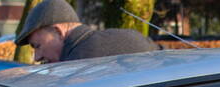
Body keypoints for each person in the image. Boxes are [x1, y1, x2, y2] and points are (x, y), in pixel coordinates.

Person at [14, 0, 158, 64]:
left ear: (58, 32)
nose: (37, 57)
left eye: (37, 46)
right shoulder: (132, 36)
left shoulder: (79, 63)